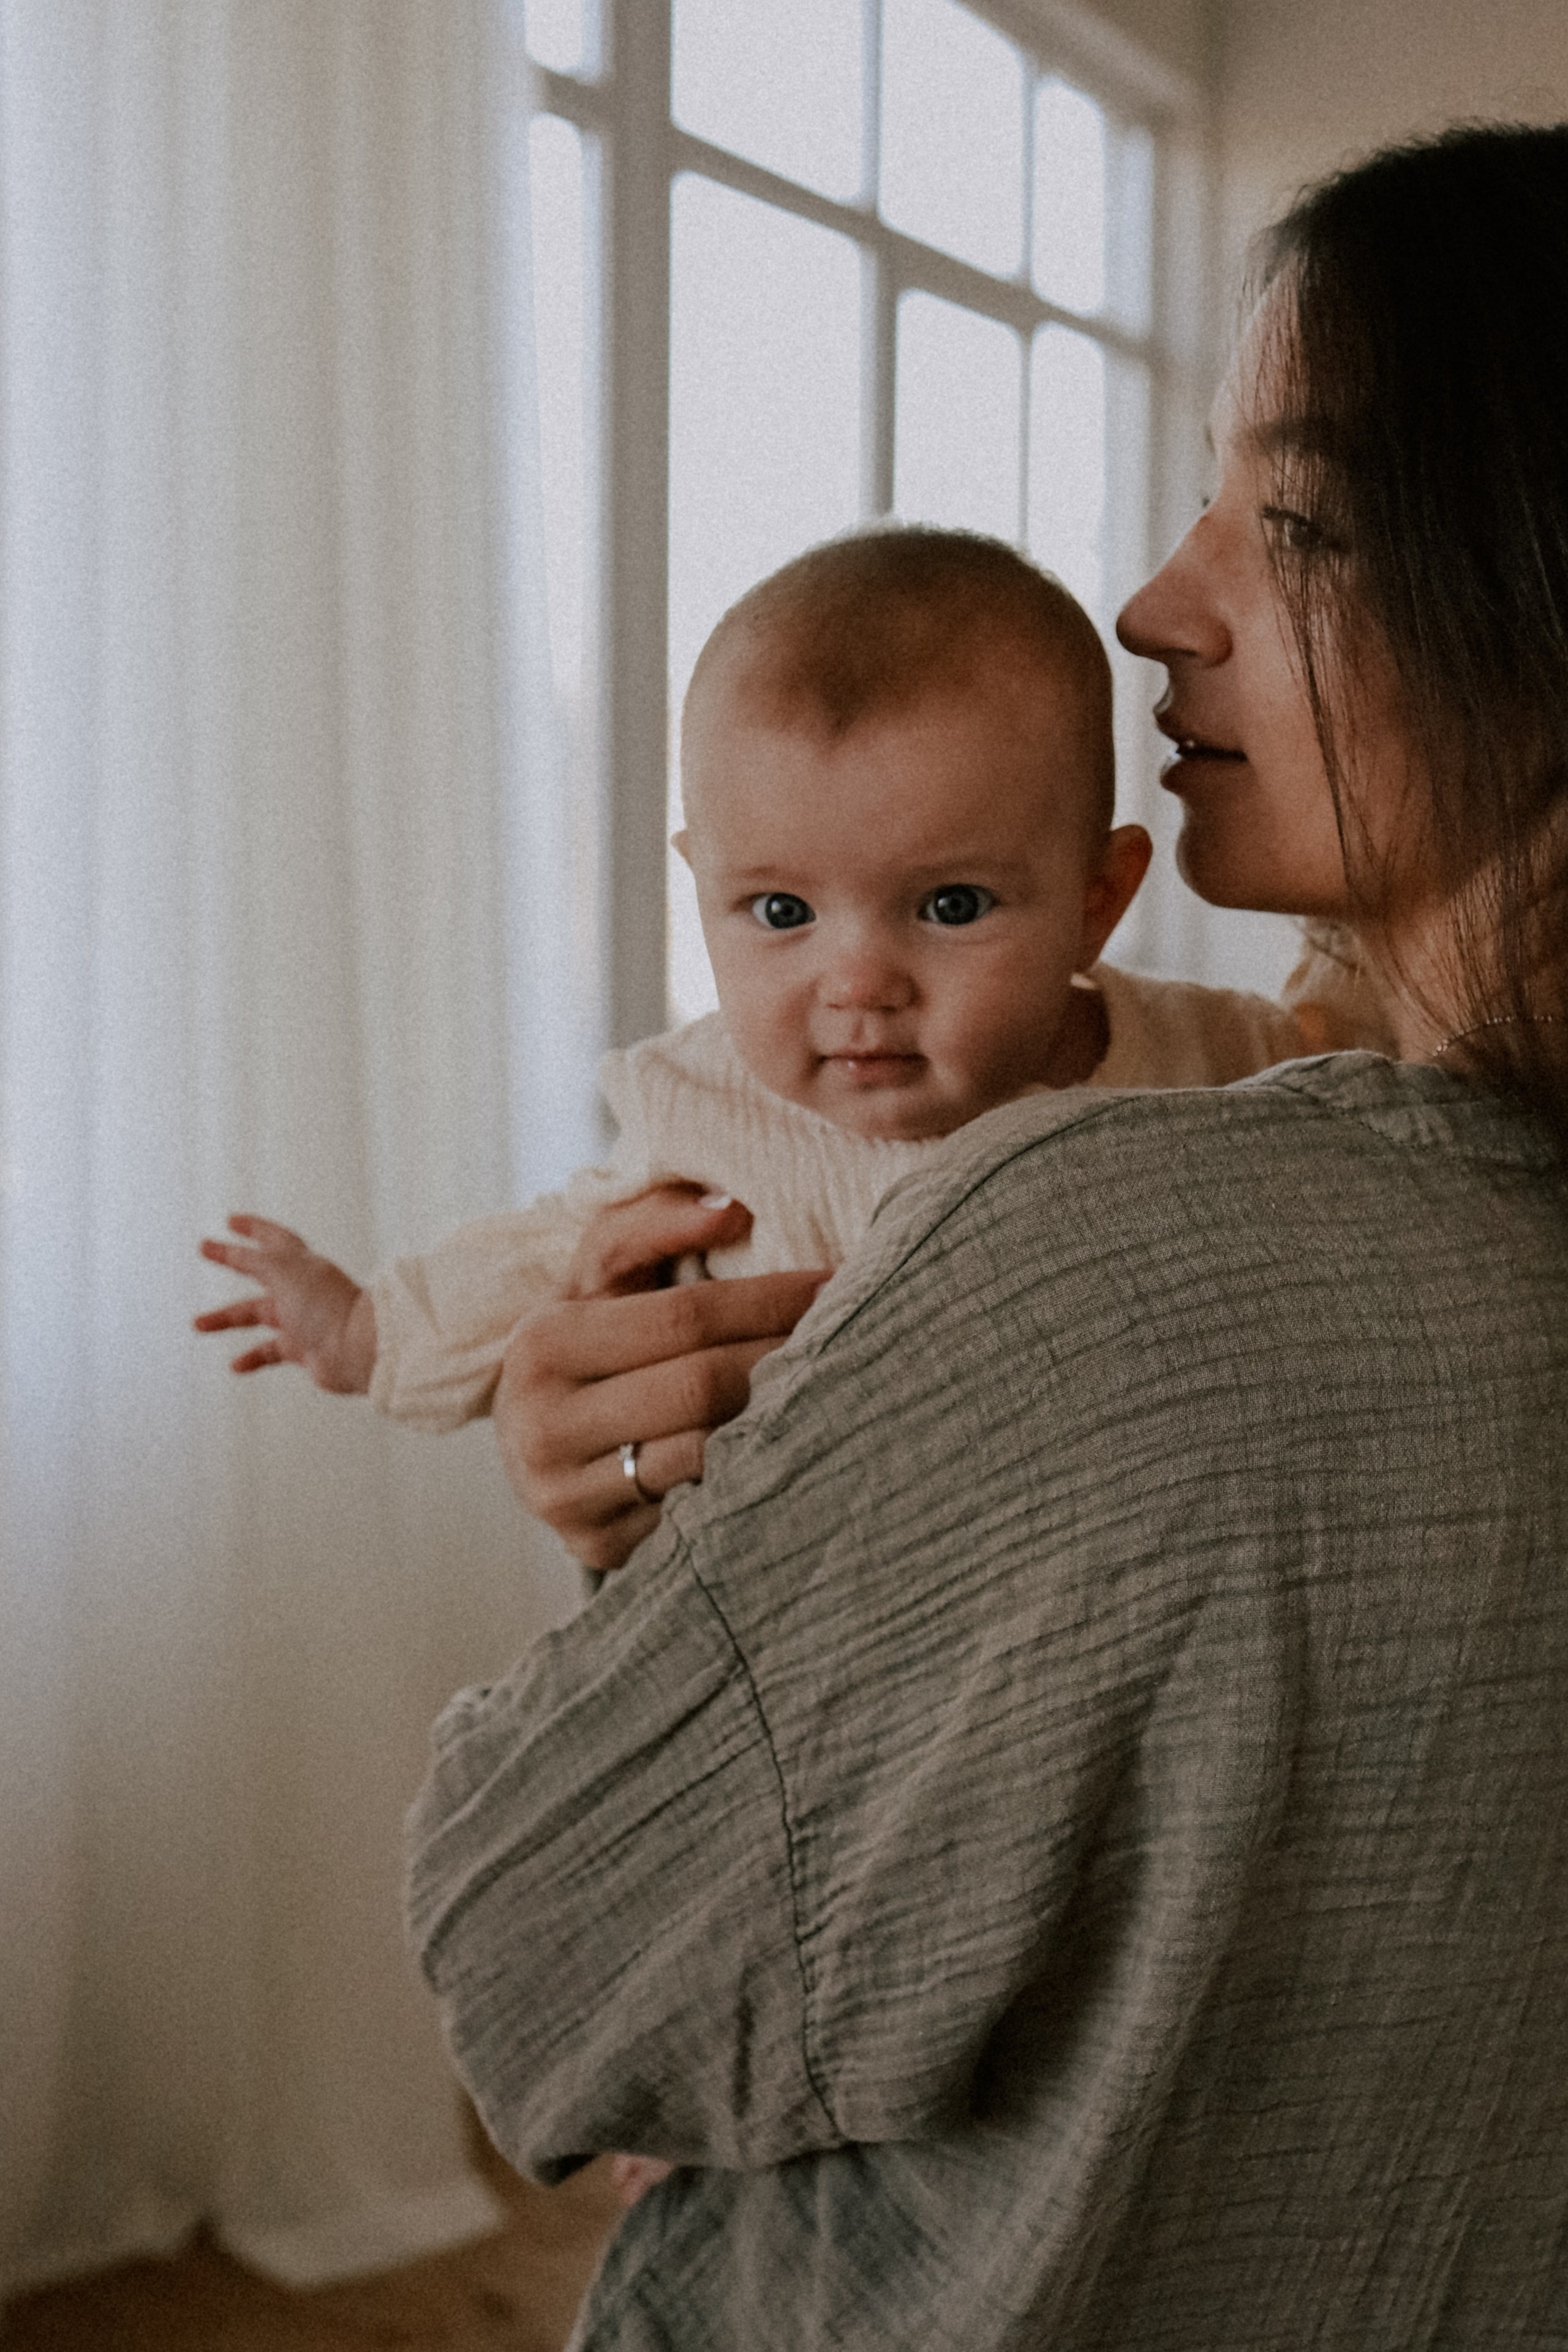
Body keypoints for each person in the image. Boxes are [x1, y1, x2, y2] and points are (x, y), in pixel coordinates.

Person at [405, 121, 1568, 2346]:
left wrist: (668, 1585)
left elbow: (545, 1962)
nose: (1154, 599)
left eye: (1295, 520)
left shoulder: (1097, 1243)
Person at [193, 528, 1352, 1448]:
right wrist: (365, 1327)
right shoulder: (705, 1112)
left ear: (1097, 900)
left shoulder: (1210, 1062)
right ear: (705, 887)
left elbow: (1350, 1117)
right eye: (783, 914)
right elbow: (543, 1257)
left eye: (950, 907)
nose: (858, 984)